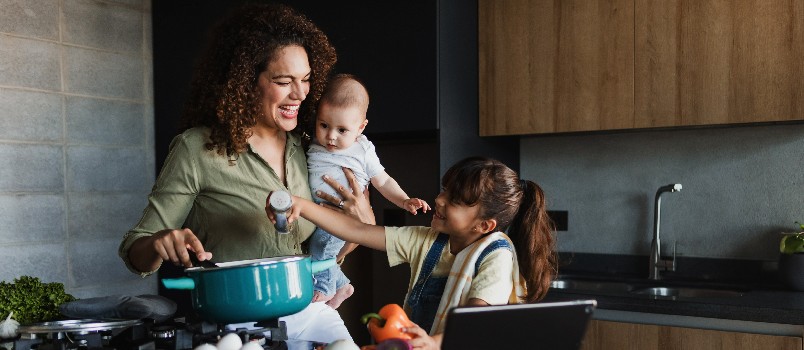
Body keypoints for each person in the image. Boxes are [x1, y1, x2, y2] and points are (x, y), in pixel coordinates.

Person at [117, 3, 375, 349]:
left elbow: (341, 239)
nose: (300, 94)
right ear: (246, 81)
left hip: (305, 324)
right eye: (284, 82)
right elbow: (136, 252)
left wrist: (362, 222)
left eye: (307, 79)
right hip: (232, 333)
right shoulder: (198, 149)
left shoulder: (312, 149)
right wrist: (161, 241)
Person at [267, 156, 558, 350]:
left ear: (485, 225)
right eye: (444, 190)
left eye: (454, 199)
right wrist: (302, 206)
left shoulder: (496, 254)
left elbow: (476, 322)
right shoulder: (427, 241)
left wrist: (436, 343)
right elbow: (356, 231)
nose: (439, 200)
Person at [307, 73, 431, 309]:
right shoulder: (314, 140)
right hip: (320, 213)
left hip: (341, 216)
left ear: (361, 127)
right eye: (324, 125)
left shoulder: (362, 150)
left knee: (320, 250)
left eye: (342, 130)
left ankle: (324, 288)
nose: (331, 136)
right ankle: (341, 285)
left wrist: (404, 200)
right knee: (321, 253)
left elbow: (382, 181)